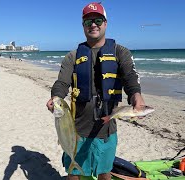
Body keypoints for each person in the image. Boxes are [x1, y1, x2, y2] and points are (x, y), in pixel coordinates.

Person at [46, 2, 146, 180]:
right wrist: (55, 97)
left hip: (106, 129)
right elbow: (61, 82)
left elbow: (130, 76)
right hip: (76, 129)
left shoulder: (120, 52)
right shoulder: (72, 56)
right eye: (88, 21)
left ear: (105, 23)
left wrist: (136, 97)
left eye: (98, 20)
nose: (93, 24)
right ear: (83, 26)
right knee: (73, 172)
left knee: (104, 172)